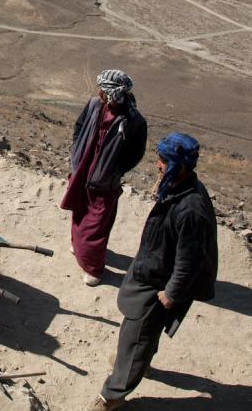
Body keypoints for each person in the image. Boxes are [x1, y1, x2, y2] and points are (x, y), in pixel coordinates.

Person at [88, 133, 217, 410]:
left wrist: (171, 293)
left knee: (137, 335)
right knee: (141, 332)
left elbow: (191, 260)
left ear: (180, 166)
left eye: (163, 160)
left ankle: (113, 394)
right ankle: (137, 364)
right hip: (152, 270)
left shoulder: (191, 209)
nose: (158, 165)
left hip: (161, 283)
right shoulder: (180, 186)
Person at [60, 69, 147, 286]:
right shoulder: (94, 105)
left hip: (105, 182)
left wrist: (116, 170)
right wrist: (76, 151)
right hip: (82, 170)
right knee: (79, 212)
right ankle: (80, 247)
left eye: (103, 91)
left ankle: (93, 269)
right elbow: (79, 127)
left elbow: (136, 153)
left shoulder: (134, 121)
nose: (99, 94)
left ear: (113, 94)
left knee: (95, 226)